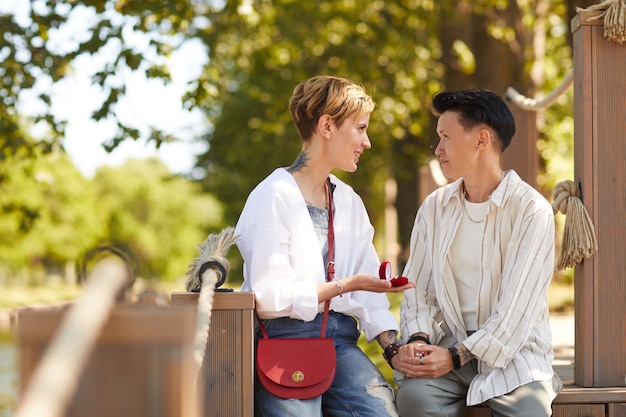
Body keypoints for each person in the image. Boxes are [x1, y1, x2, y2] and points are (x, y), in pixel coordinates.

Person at [235, 75, 414, 417]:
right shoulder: (271, 197)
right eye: (361, 128)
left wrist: (393, 348)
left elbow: (368, 295)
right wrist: (345, 285)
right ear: (327, 126)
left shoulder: (348, 201)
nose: (367, 142)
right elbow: (269, 296)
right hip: (284, 342)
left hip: (341, 344)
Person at [391, 89, 563, 417]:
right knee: (414, 399)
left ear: (481, 140)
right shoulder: (435, 208)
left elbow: (516, 314)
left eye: (446, 137)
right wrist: (418, 337)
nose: (438, 148)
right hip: (447, 349)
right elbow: (418, 290)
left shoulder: (531, 211)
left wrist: (458, 355)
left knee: (528, 411)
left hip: (514, 354)